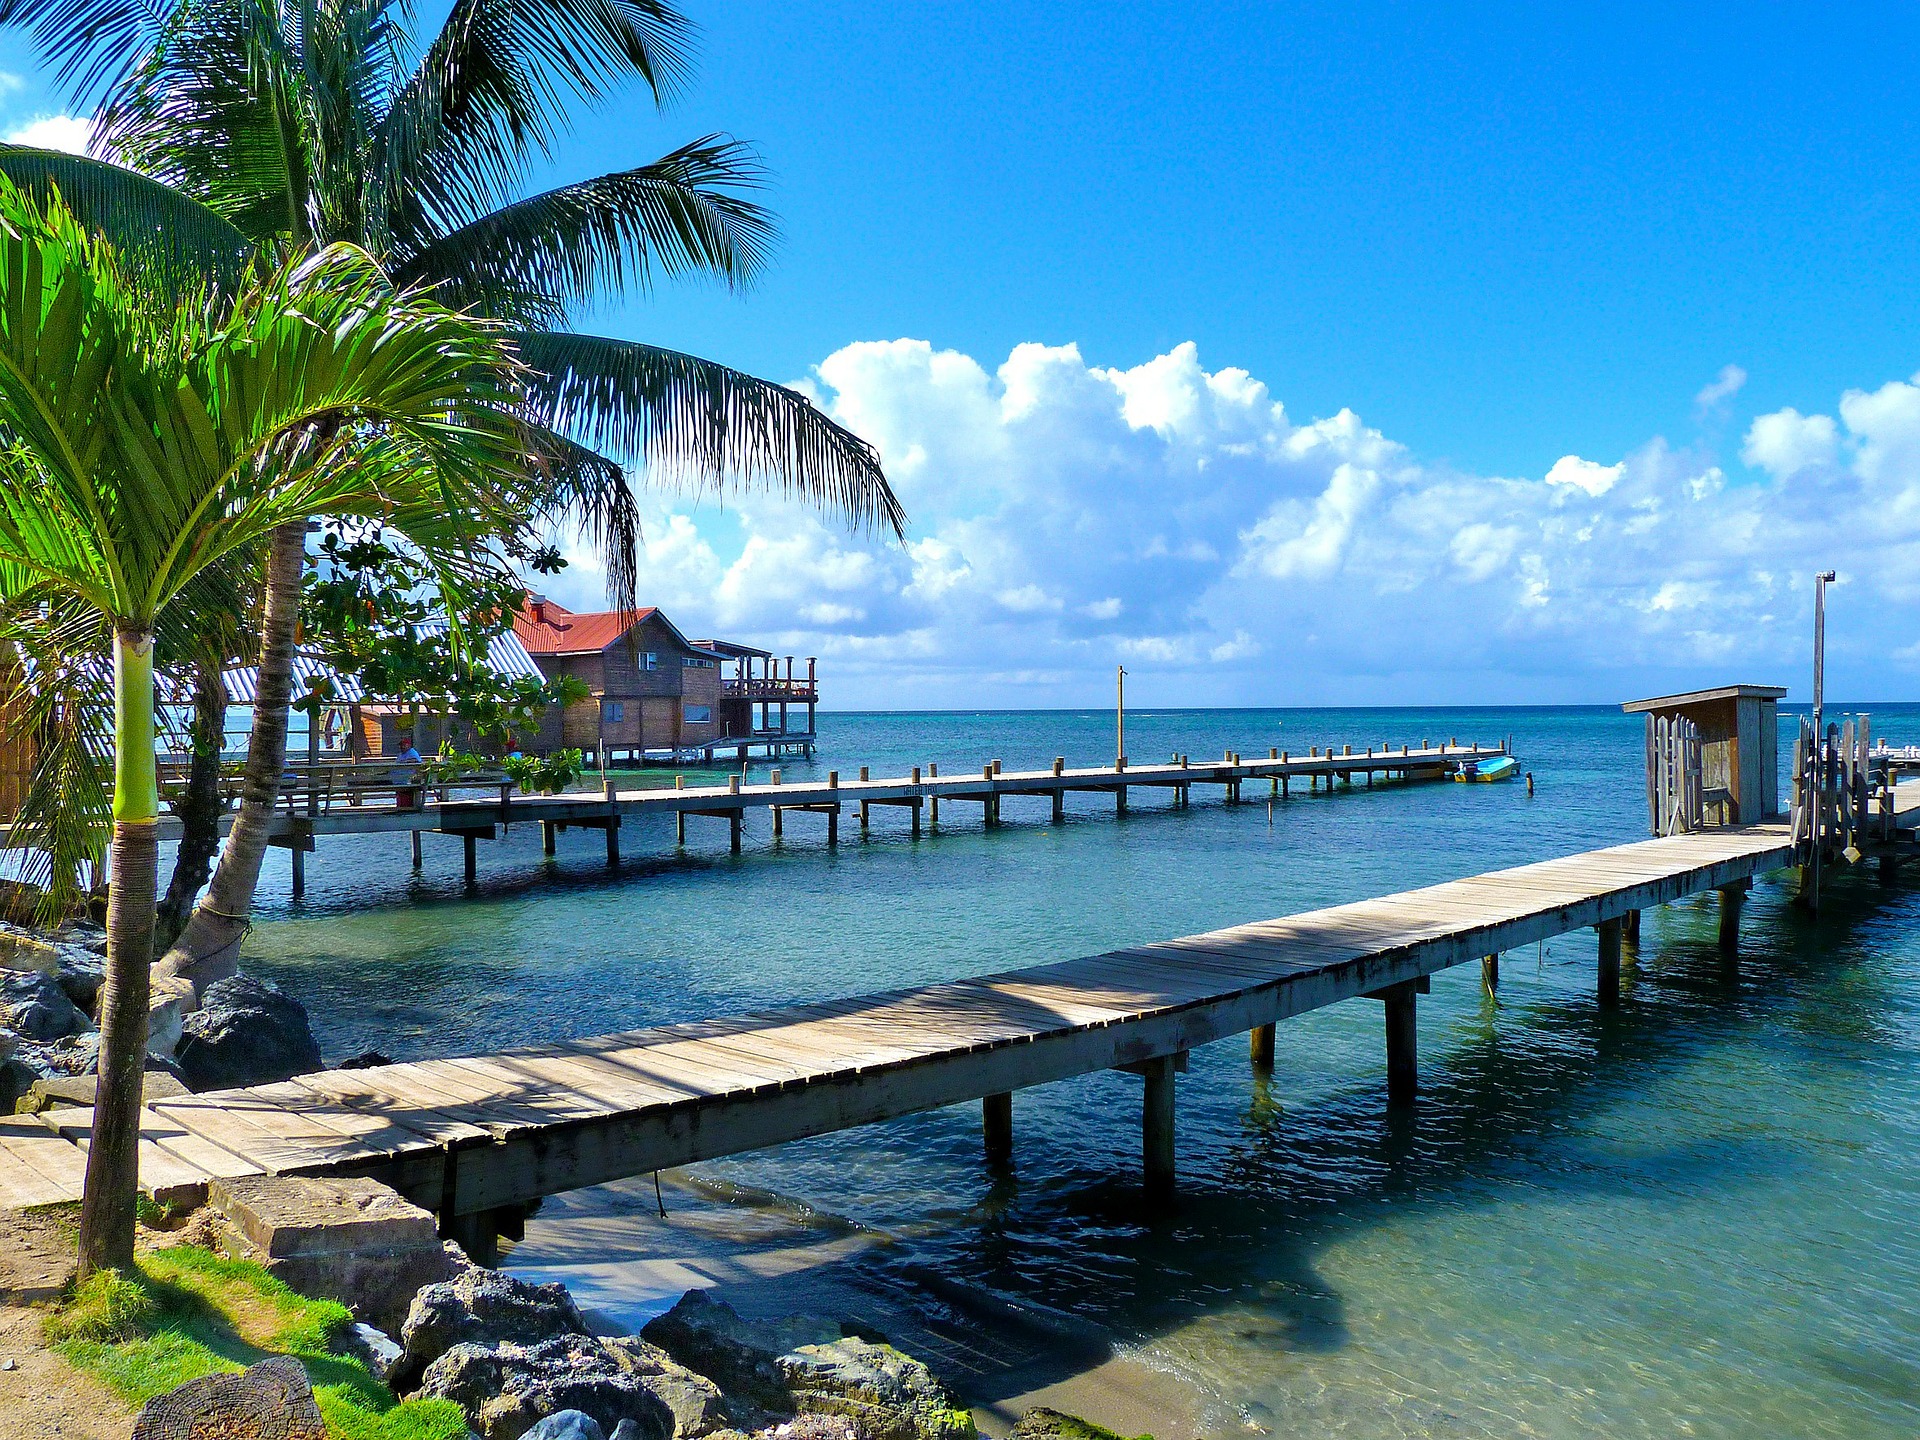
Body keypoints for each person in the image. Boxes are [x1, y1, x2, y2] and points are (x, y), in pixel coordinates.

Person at [392, 731, 423, 810]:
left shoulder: (412, 752)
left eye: (403, 745)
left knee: (406, 794)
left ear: (409, 745)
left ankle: (406, 808)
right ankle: (401, 807)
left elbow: (417, 761)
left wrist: (405, 762)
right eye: (401, 745)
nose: (401, 747)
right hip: (398, 779)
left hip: (407, 780)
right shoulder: (400, 754)